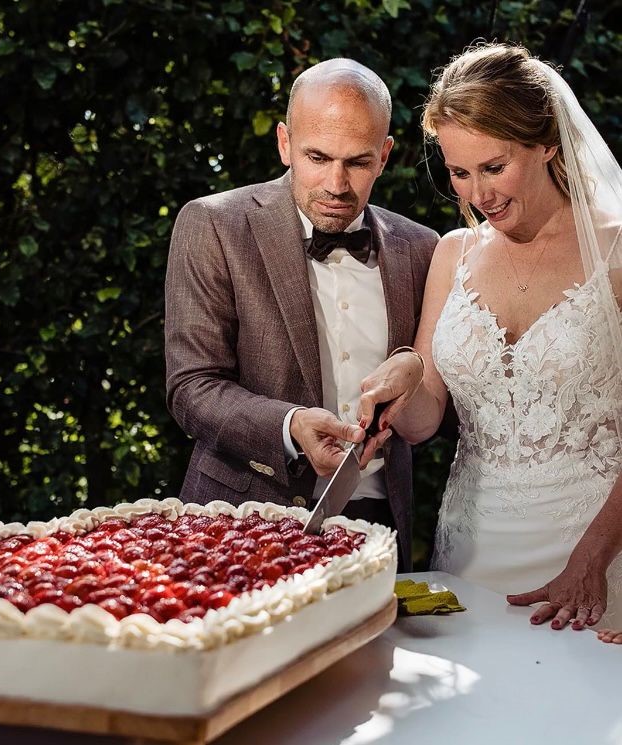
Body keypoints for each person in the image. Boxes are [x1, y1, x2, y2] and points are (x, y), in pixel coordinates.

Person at [359, 42, 622, 630]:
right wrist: (404, 375)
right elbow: (425, 419)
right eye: (458, 172)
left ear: (548, 142)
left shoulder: (617, 252)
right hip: (473, 551)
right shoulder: (454, 255)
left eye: (494, 167)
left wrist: (594, 558)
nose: (478, 196)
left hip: (600, 556)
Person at [164, 59, 439, 570]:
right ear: (285, 143)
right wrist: (289, 428)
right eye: (317, 157)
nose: (336, 183)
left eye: (357, 162)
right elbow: (191, 386)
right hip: (239, 522)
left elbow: (435, 404)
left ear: (384, 156)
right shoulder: (214, 225)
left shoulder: (424, 249)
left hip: (380, 525)